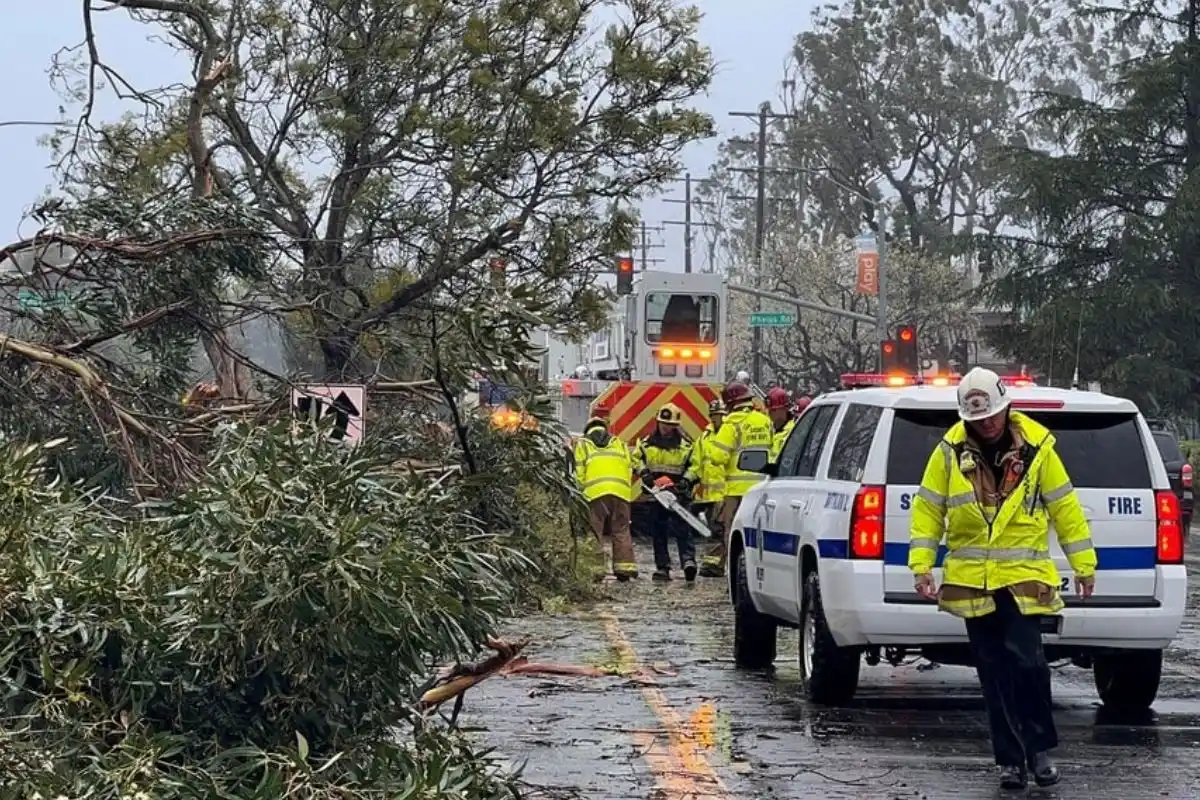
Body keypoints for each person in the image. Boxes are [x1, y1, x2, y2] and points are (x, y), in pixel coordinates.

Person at [908, 367, 1097, 791]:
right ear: (966, 417)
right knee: (992, 671)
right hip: (974, 581)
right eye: (978, 418)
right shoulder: (948, 452)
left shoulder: (1038, 448)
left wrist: (1084, 565)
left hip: (1024, 579)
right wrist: (921, 566)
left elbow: (1065, 508)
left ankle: (1039, 750)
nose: (987, 423)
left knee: (1028, 664)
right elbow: (927, 511)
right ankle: (1009, 761)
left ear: (1005, 407)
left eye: (992, 415)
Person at [698, 382, 773, 577]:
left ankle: (735, 574)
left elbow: (717, 456)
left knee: (733, 533)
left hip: (736, 490)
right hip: (761, 487)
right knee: (758, 532)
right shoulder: (764, 420)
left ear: (730, 403)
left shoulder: (731, 423)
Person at [633, 403, 698, 582]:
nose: (666, 429)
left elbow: (696, 465)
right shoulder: (646, 444)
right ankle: (663, 567)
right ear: (658, 423)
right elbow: (635, 459)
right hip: (657, 495)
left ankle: (688, 562)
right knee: (659, 531)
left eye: (669, 425)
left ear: (676, 426)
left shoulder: (686, 446)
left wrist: (687, 480)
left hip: (679, 494)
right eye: (663, 424)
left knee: (684, 529)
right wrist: (643, 472)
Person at [573, 417, 639, 581]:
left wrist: (580, 493)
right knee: (621, 530)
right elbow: (628, 468)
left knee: (595, 531)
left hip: (595, 493)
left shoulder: (583, 444)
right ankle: (625, 569)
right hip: (621, 492)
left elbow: (579, 473)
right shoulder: (619, 443)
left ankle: (595, 571)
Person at [692, 399, 727, 541]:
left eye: (718, 415)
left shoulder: (730, 435)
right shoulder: (704, 437)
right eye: (712, 415)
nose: (715, 418)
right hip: (706, 494)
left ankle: (716, 560)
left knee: (719, 529)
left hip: (724, 493)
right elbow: (697, 462)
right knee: (711, 530)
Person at [766, 387, 795, 463]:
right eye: (769, 410)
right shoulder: (771, 430)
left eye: (774, 410)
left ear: (784, 409)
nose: (770, 414)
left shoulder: (793, 432)